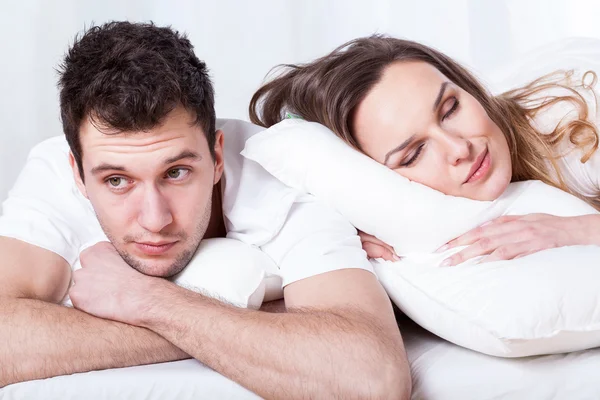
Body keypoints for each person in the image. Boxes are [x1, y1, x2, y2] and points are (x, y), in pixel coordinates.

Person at [0, 23, 411, 399]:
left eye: (176, 172)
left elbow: (375, 377)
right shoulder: (59, 168)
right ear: (78, 173)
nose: (154, 219)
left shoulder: (283, 180)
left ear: (216, 156)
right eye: (117, 182)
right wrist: (251, 317)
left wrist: (147, 302)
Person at [249, 35, 600, 266]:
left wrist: (576, 230)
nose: (459, 147)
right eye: (414, 154)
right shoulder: (388, 205)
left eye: (450, 108)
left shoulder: (577, 128)